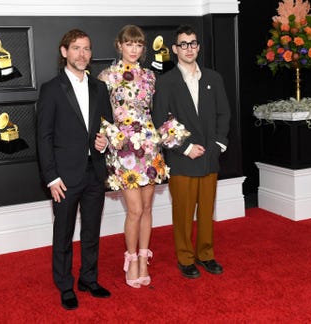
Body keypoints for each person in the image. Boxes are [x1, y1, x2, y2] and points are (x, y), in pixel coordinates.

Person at [36, 29, 113, 310]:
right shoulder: (51, 89)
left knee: (92, 230)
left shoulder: (100, 87)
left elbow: (105, 128)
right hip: (64, 177)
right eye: (77, 48)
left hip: (94, 171)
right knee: (64, 234)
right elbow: (43, 137)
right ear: (64, 51)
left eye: (87, 49)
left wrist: (104, 144)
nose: (83, 54)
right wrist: (51, 177)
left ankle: (88, 279)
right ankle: (65, 285)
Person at [152, 24, 231, 279]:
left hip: (209, 157)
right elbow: (160, 120)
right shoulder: (165, 82)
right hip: (182, 158)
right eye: (183, 44)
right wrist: (185, 147)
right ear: (175, 49)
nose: (189, 48)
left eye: (193, 43)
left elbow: (224, 113)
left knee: (206, 212)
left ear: (198, 47)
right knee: (184, 213)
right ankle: (185, 258)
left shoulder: (213, 78)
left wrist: (218, 145)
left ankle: (206, 255)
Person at [98, 25, 169, 288]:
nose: (134, 49)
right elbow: (101, 115)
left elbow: (154, 112)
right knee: (135, 210)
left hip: (149, 147)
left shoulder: (150, 76)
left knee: (148, 208)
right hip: (124, 151)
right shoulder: (106, 76)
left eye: (138, 45)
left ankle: (142, 258)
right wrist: (113, 137)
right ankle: (130, 258)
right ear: (119, 45)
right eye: (129, 44)